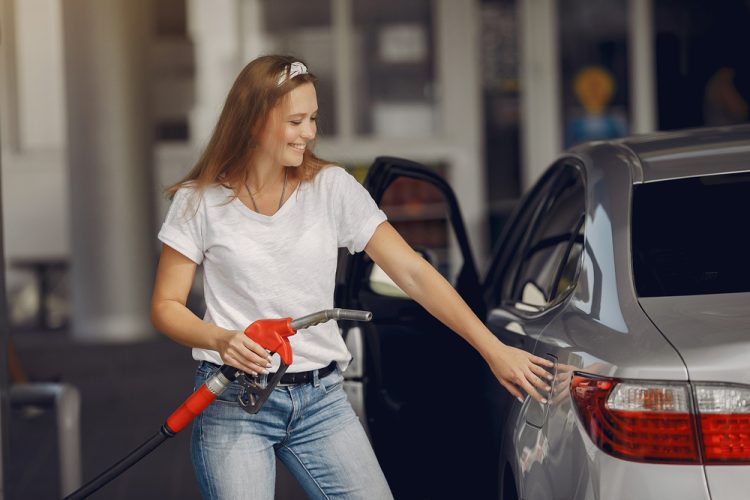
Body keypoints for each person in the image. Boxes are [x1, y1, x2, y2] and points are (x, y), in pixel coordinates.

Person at [151, 55, 554, 500]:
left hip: (320, 401)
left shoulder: (332, 189)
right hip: (232, 400)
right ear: (252, 123)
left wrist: (493, 350)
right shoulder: (199, 202)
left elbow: (414, 274)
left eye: (313, 119)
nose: (310, 133)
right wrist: (221, 338)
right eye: (296, 121)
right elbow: (166, 307)